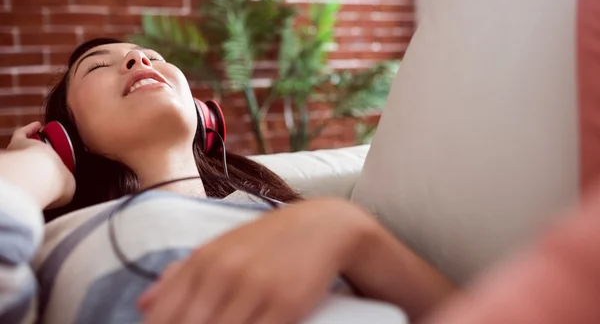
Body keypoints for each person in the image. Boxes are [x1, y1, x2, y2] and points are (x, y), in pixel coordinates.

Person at [0, 38, 455, 324]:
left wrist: (347, 230)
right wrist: (35, 168)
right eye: (98, 66)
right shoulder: (53, 242)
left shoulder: (289, 216)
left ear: (204, 117)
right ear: (64, 139)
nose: (139, 58)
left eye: (153, 57)